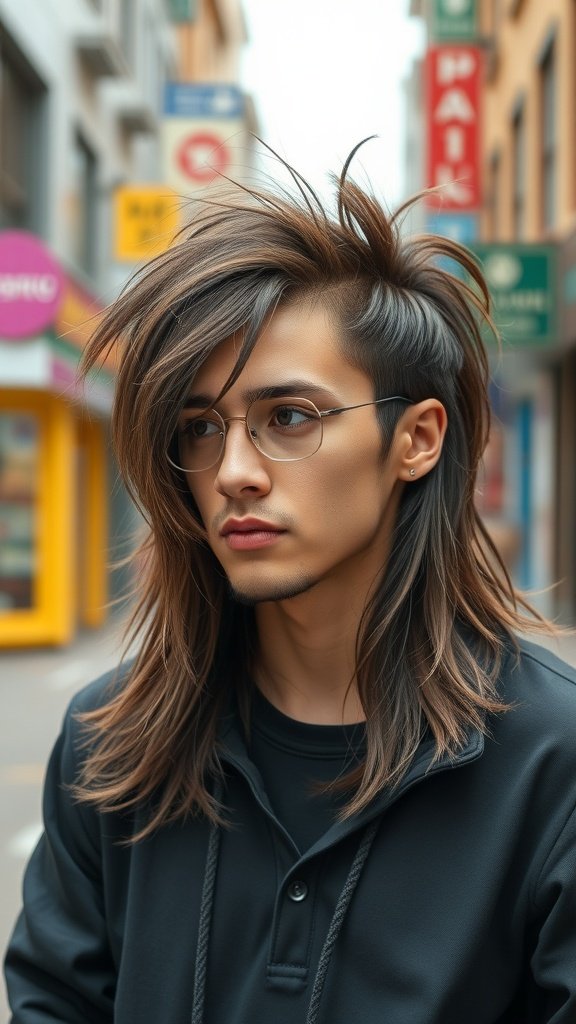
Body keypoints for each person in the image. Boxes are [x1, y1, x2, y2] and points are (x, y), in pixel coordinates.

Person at [4, 143, 576, 1024]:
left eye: (289, 417)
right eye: (199, 427)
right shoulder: (109, 744)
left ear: (416, 440)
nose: (232, 469)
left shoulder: (554, 761)